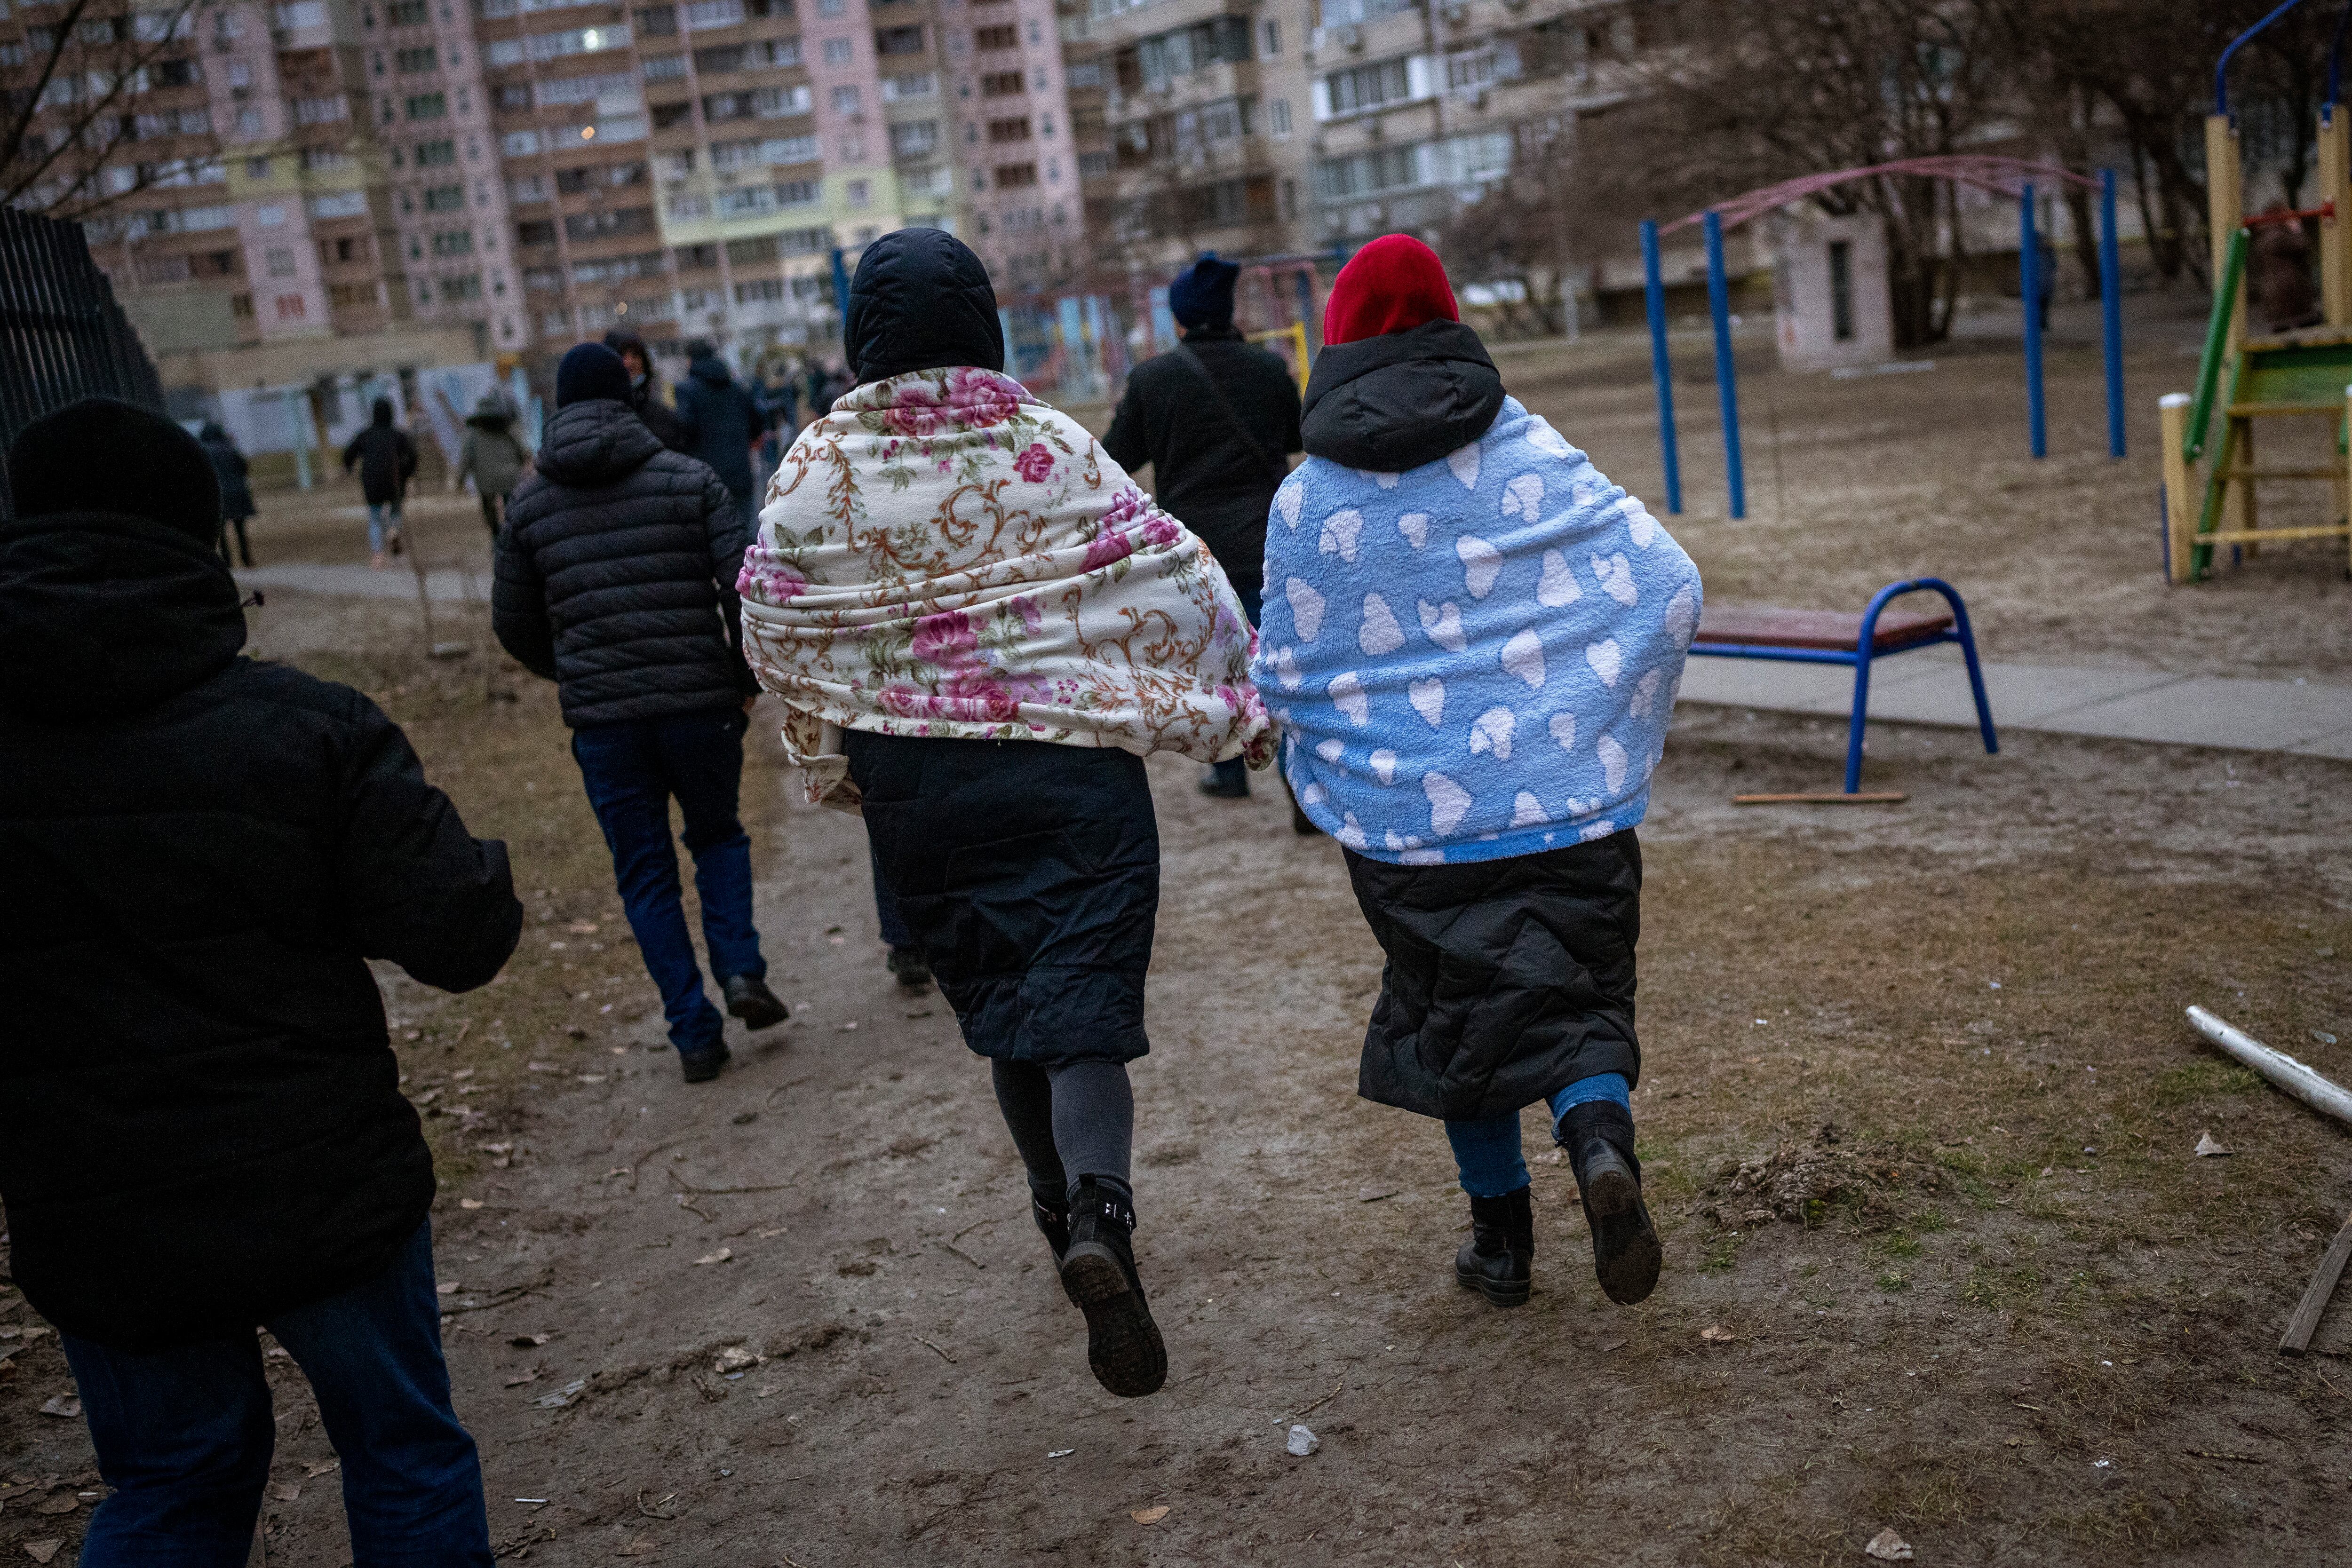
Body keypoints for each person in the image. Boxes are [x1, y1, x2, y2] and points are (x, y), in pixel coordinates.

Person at [737, 228, 1268, 1399]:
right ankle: (1101, 1210)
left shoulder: (823, 456)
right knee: (1082, 1003)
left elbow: (767, 610)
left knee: (1003, 1001)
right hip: (1072, 768)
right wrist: (1231, 690)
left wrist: (837, 727)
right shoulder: (1045, 437)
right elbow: (1166, 565)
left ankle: (1054, 1215)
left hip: (920, 784)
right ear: (982, 313)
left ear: (861, 329)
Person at [0, 397, 523, 1563]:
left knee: (173, 1480)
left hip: (93, 1201)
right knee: (402, 1452)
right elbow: (463, 934)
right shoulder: (307, 732)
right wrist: (478, 865)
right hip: (319, 1182)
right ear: (196, 536)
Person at [1252, 235, 1702, 1312]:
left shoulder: (1307, 501)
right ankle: (1600, 1148)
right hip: (1569, 807)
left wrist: (1347, 755)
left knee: (1455, 1020)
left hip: (1413, 831)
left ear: (1337, 343)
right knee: (1579, 1000)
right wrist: (1587, 714)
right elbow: (1665, 582)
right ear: (1452, 322)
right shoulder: (1531, 450)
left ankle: (1501, 1248)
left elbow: (1284, 668)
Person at [493, 343, 787, 1084]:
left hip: (605, 725)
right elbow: (742, 589)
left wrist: (575, 673)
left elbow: (513, 622)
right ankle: (742, 969)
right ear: (629, 396)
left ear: (558, 408)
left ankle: (693, 1032)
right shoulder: (689, 481)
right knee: (717, 836)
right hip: (700, 707)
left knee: (646, 874)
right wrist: (742, 676)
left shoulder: (528, 503)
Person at [1104, 253, 1302, 800]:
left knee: (1215, 663)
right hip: (1267, 537)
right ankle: (1297, 780)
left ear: (1181, 317)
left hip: (1194, 550)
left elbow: (1117, 454)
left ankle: (1229, 771)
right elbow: (1293, 438)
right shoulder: (1268, 369)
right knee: (1277, 659)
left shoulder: (1152, 379)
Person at [672, 339, 765, 528]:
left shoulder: (686, 391)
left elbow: (683, 431)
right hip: (740, 476)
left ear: (690, 360)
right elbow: (757, 424)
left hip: (705, 480)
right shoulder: (737, 390)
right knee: (745, 536)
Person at [341, 396, 417, 570]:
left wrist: (348, 467)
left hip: (372, 482)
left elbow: (349, 453)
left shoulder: (365, 435)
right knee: (395, 511)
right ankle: (393, 532)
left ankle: (378, 556)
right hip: (394, 481)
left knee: (375, 517)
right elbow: (412, 456)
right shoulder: (397, 435)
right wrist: (409, 475)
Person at [455, 390, 531, 538]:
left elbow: (466, 458)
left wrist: (460, 480)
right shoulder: (508, 428)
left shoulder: (473, 433)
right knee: (512, 509)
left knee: (490, 512)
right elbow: (524, 451)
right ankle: (512, 536)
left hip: (486, 481)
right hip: (511, 478)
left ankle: (497, 537)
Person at [604, 327, 691, 453]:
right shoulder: (601, 419)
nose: (630, 363)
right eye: (622, 355)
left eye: (635, 355)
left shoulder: (663, 417)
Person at [198, 418, 257, 567]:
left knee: (221, 533)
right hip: (238, 493)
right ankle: (246, 559)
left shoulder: (204, 451)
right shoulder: (230, 448)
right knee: (240, 530)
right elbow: (244, 468)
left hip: (219, 496)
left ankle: (227, 561)